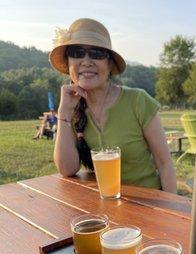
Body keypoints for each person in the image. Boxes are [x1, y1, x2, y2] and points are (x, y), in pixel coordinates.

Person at [49, 18, 177, 193]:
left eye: (97, 53)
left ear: (109, 64)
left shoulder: (138, 100)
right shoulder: (73, 108)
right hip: (103, 207)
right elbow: (67, 169)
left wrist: (169, 213)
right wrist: (64, 113)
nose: (86, 61)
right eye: (77, 52)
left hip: (149, 206)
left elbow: (165, 165)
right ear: (69, 63)